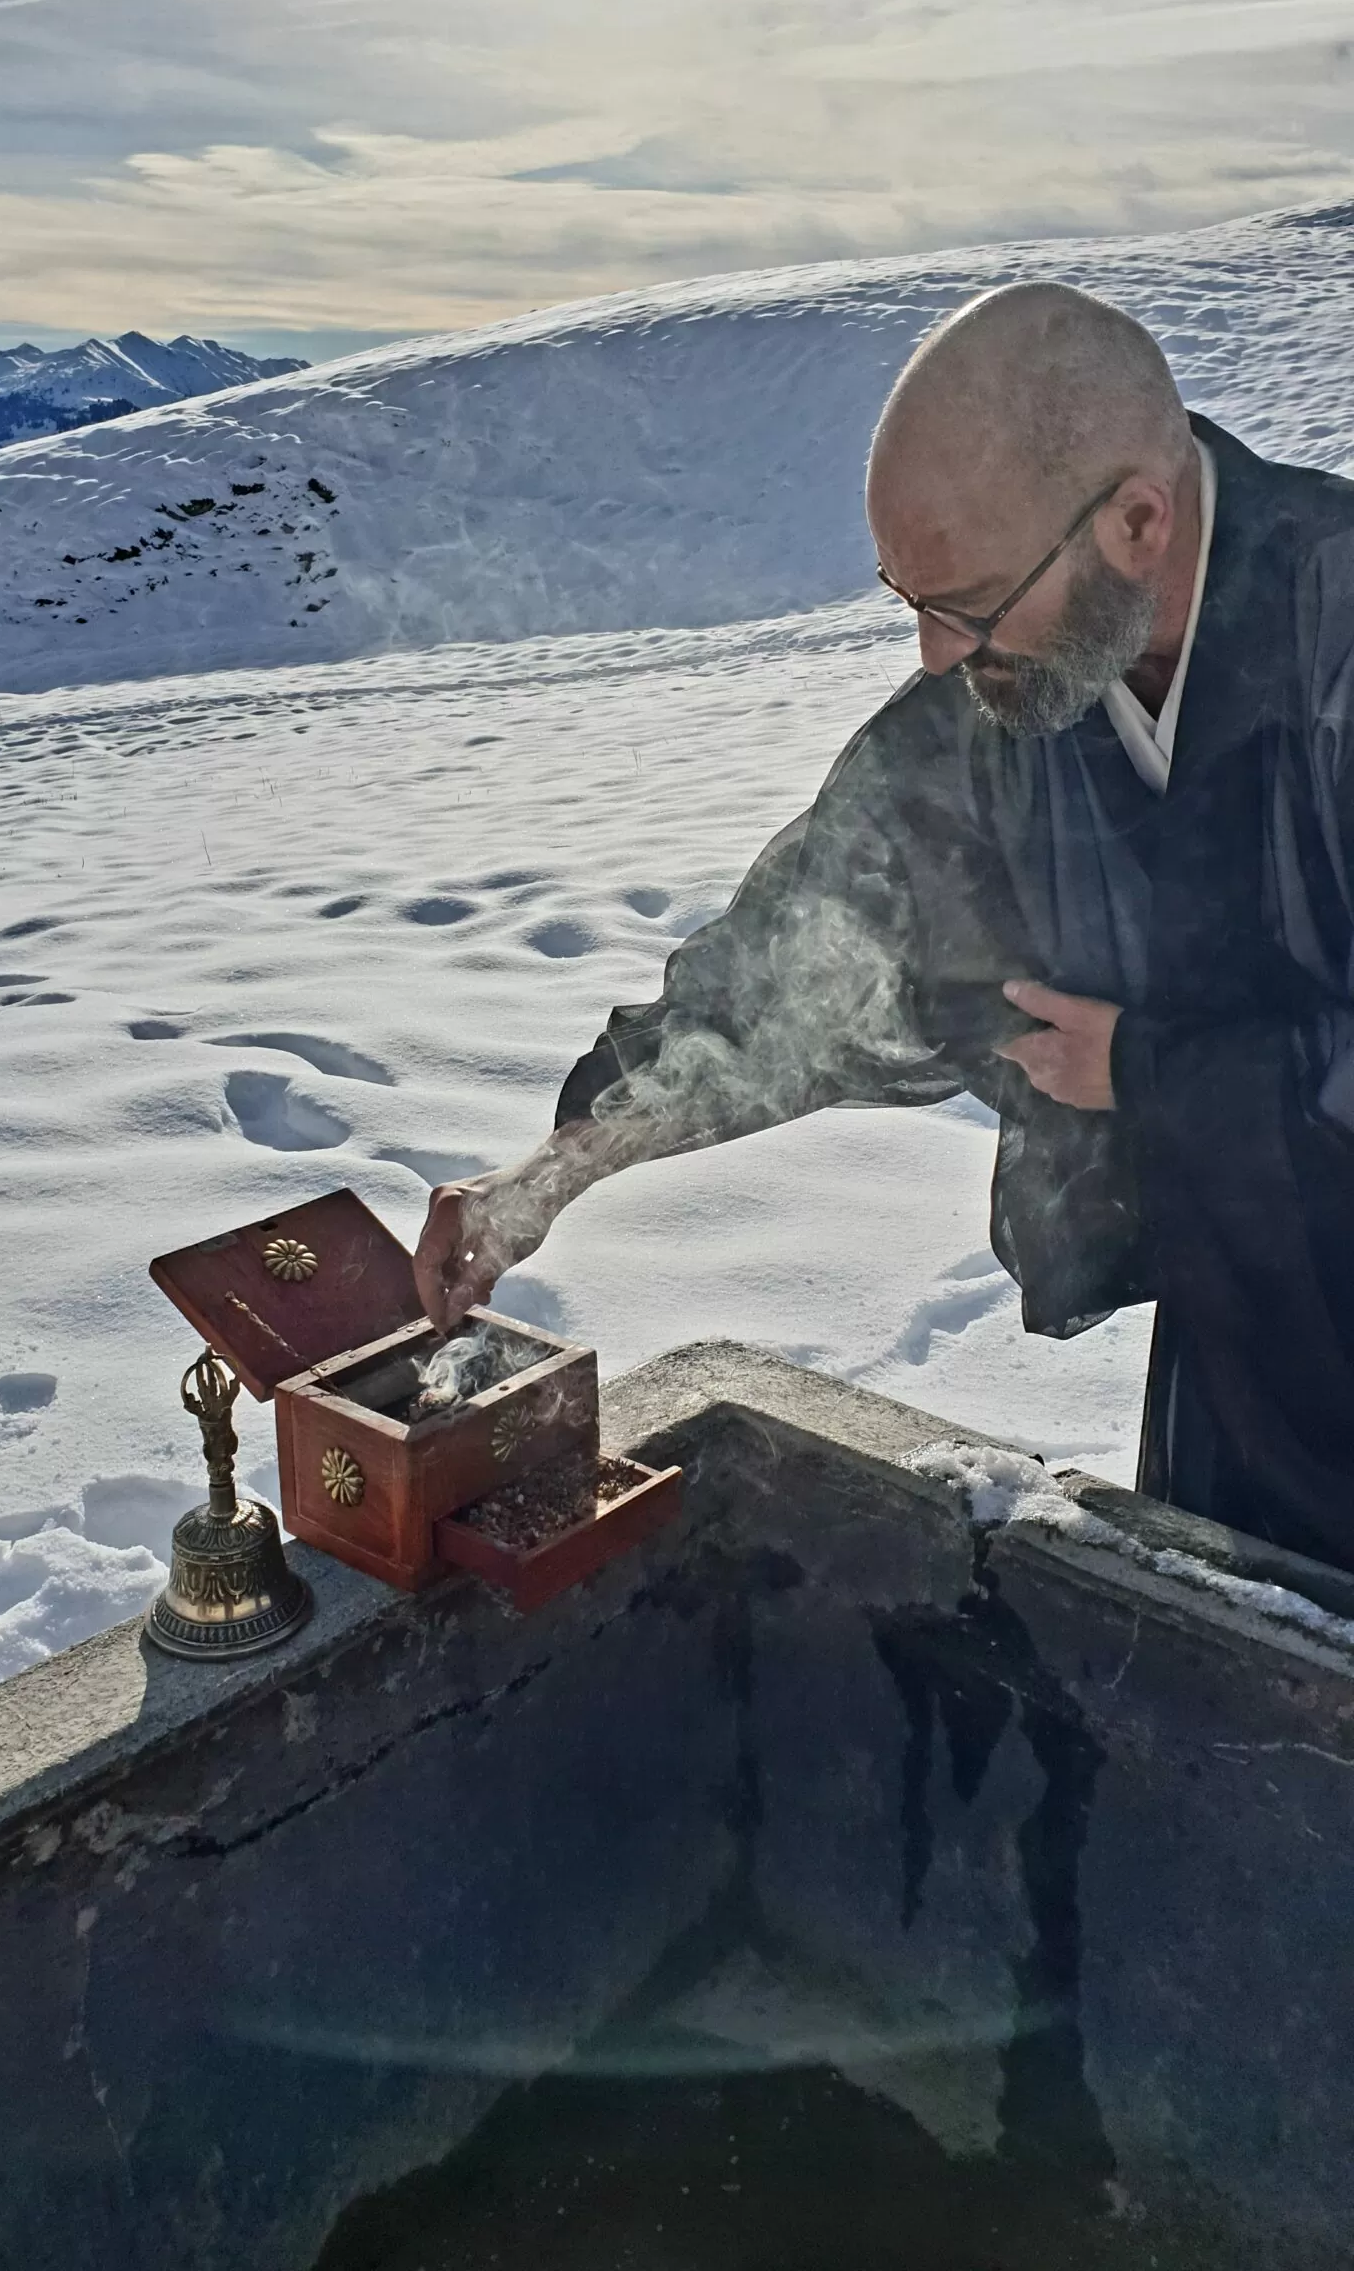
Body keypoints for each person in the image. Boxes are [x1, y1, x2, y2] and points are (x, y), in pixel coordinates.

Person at [415, 281, 1354, 1575]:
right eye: (909, 600)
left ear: (1138, 519)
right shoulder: (1022, 691)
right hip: (1234, 1371)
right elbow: (800, 960)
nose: (930, 655)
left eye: (966, 602)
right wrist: (558, 1167)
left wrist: (1147, 1070)